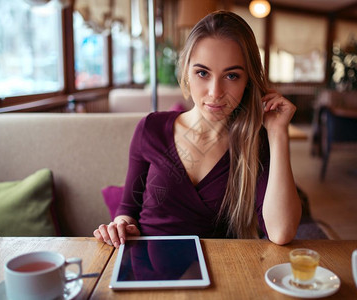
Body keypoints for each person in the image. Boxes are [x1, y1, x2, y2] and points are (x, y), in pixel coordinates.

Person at [94, 10, 301, 247]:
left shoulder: (256, 141)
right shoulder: (151, 128)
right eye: (202, 73)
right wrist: (120, 225)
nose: (215, 92)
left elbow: (281, 232)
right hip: (147, 268)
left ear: (248, 82)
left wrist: (277, 133)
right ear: (186, 72)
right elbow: (128, 208)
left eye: (232, 76)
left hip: (218, 277)